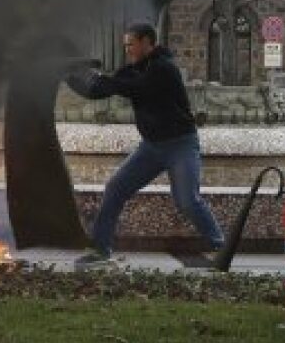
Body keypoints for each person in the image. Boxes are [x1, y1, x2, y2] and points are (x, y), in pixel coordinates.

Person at [65, 22, 224, 265]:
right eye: (125, 45)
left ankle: (219, 245)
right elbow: (97, 91)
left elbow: (135, 87)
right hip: (151, 147)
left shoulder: (164, 68)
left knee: (187, 200)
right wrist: (69, 76)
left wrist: (102, 78)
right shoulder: (133, 70)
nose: (127, 49)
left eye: (131, 44)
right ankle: (100, 249)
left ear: (147, 42)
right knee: (115, 189)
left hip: (180, 145)